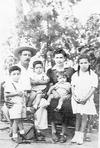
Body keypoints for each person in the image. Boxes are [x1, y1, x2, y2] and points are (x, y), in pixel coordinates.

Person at [47, 48, 75, 143]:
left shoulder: (70, 70)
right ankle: (54, 131)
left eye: (61, 57)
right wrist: (53, 92)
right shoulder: (51, 71)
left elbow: (73, 84)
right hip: (55, 93)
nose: (59, 60)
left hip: (66, 94)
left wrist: (70, 94)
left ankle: (63, 133)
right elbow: (50, 84)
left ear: (65, 58)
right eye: (57, 57)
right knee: (52, 104)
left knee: (66, 106)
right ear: (54, 59)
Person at [71, 54, 98, 145]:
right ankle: (76, 135)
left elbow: (93, 88)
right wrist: (74, 96)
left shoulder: (93, 75)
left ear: (89, 63)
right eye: (81, 63)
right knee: (78, 116)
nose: (83, 65)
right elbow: (72, 87)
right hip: (77, 98)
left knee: (84, 117)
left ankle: (81, 135)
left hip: (87, 98)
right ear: (78, 64)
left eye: (85, 62)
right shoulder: (75, 75)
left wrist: (85, 98)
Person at [4, 65, 26, 142]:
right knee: (16, 120)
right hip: (14, 105)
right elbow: (7, 94)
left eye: (18, 74)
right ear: (10, 75)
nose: (16, 76)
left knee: (19, 119)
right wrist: (17, 94)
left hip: (20, 104)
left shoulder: (19, 83)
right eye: (14, 74)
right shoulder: (9, 83)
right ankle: (14, 135)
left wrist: (23, 94)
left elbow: (22, 93)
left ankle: (22, 133)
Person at [28, 60, 49, 140]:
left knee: (43, 104)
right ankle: (30, 107)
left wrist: (37, 82)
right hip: (32, 92)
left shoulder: (44, 75)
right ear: (34, 69)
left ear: (43, 68)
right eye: (37, 68)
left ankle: (39, 129)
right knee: (34, 97)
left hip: (41, 93)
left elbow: (47, 81)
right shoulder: (32, 75)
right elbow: (32, 82)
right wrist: (40, 82)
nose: (39, 69)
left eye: (40, 67)